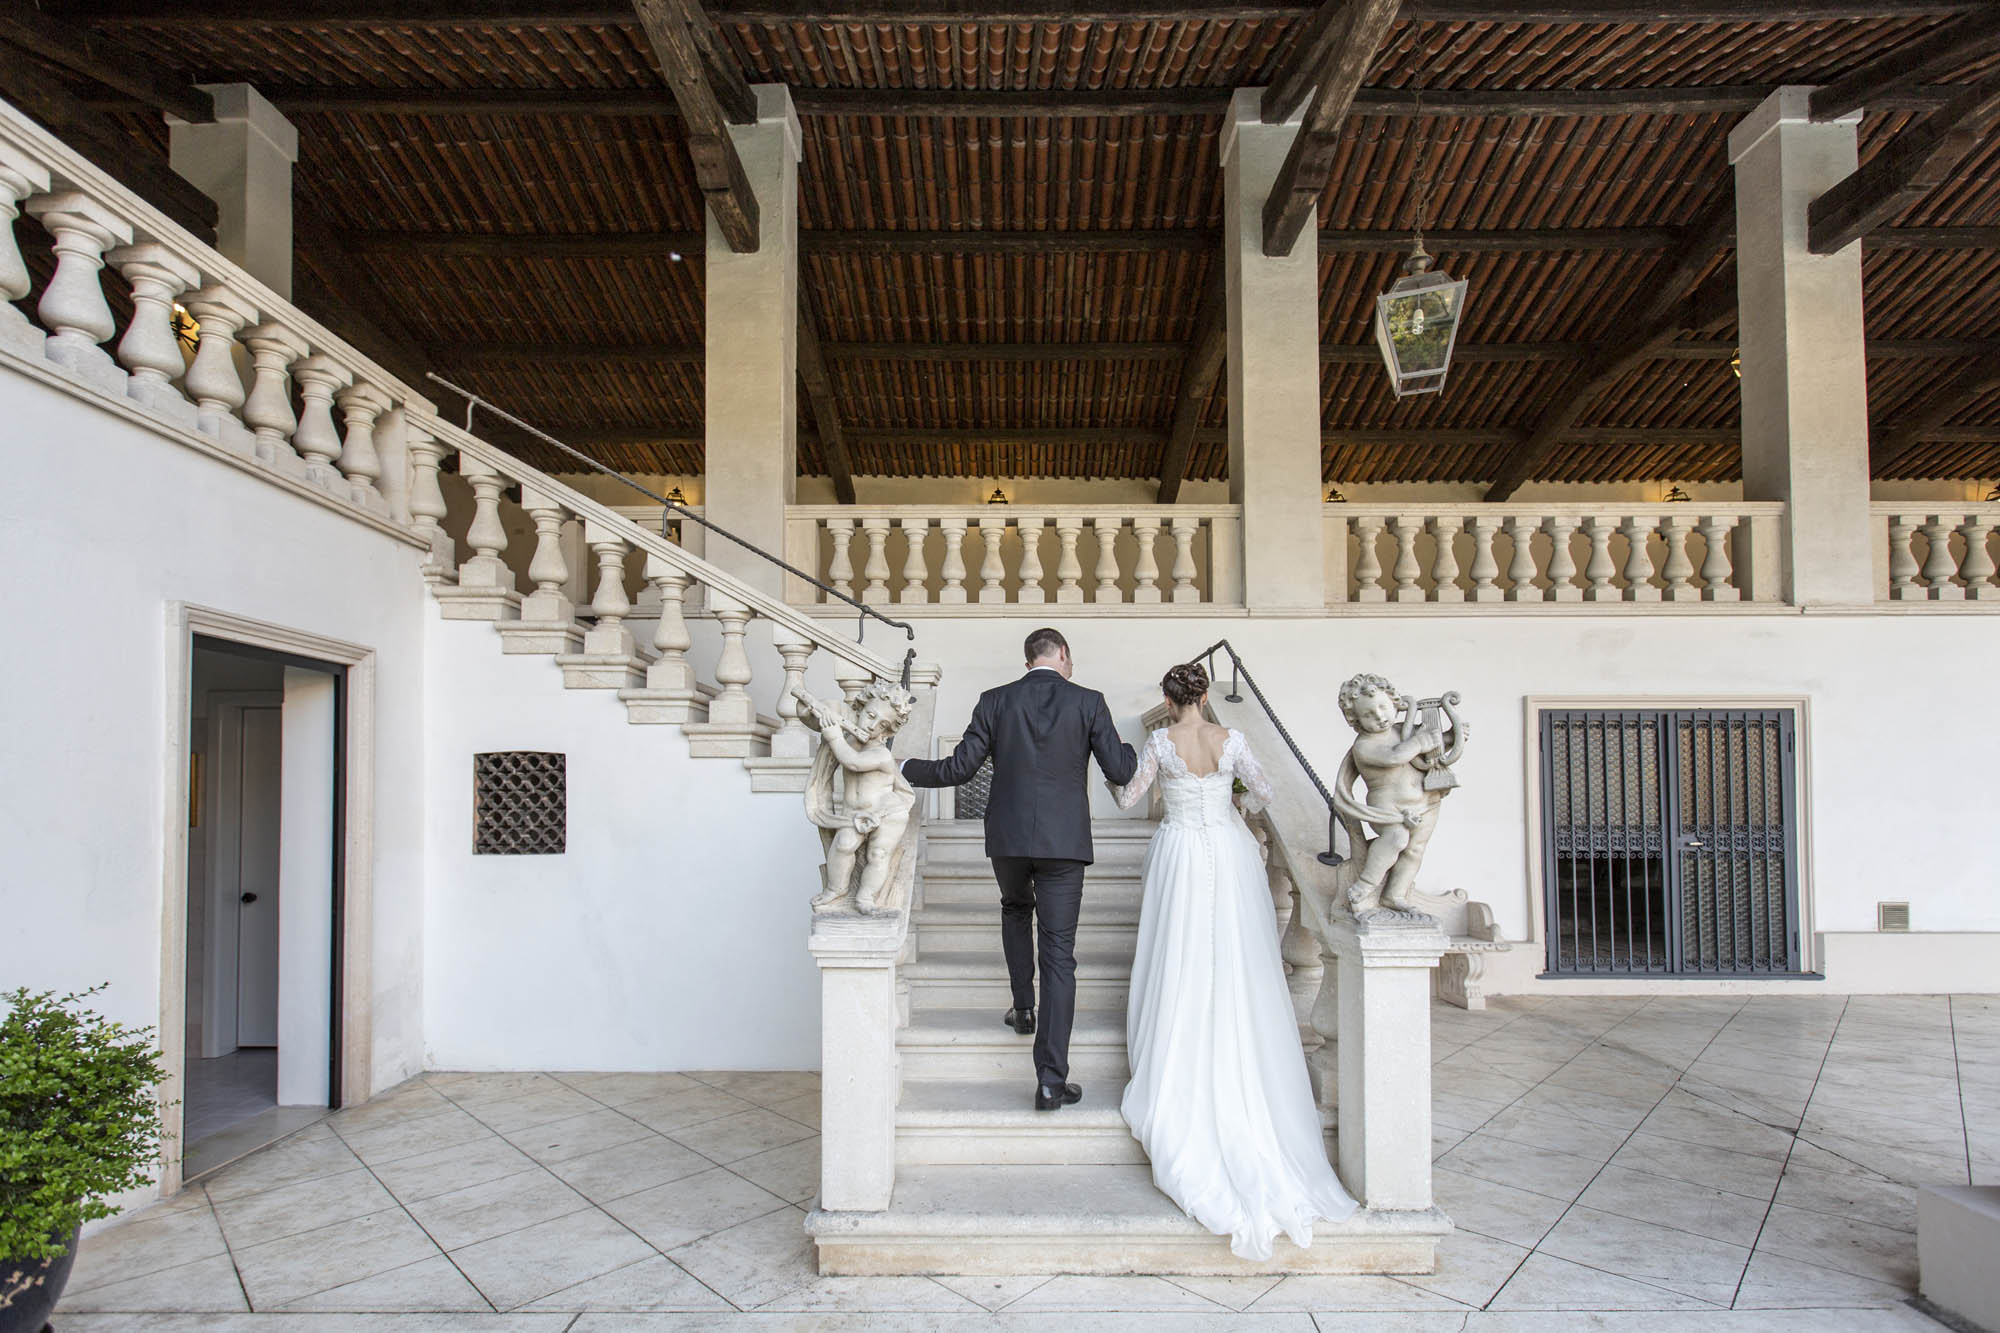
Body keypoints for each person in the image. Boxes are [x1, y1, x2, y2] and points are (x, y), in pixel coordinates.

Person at [1110, 660, 1356, 1262]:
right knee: (1236, 952)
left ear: (1170, 701)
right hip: (1225, 844)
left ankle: (1179, 1033)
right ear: (1203, 697)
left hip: (1179, 851)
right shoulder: (1232, 739)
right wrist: (1232, 794)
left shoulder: (1161, 742)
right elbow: (1266, 793)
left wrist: (1148, 776)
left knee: (1179, 944)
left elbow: (1127, 798)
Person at [900, 627, 1138, 1111]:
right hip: (1065, 844)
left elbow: (957, 769)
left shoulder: (994, 700)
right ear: (1063, 655)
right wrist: (1128, 749)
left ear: (1029, 659)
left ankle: (1023, 1007)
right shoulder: (1089, 702)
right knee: (1059, 956)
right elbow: (1122, 769)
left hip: (1008, 838)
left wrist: (902, 765)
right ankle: (1051, 1080)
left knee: (1014, 909)